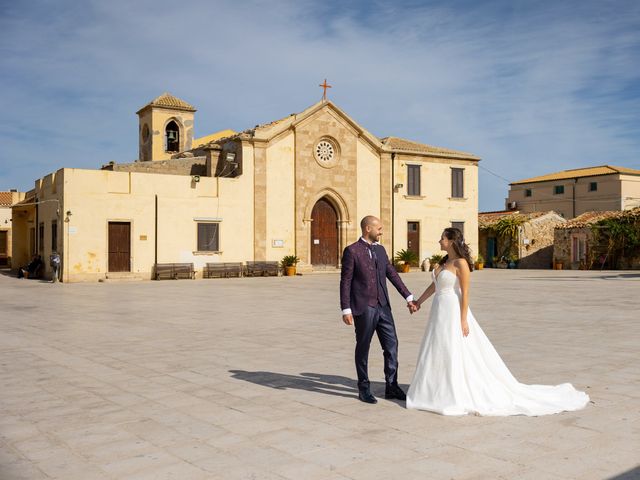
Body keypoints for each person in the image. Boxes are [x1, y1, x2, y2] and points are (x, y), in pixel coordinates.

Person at [406, 228, 590, 415]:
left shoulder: (461, 263)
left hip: (453, 309)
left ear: (452, 241)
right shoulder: (444, 262)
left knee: (453, 347)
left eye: (442, 238)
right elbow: (434, 285)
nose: (439, 241)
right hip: (439, 309)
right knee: (437, 346)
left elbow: (466, 293)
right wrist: (419, 302)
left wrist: (463, 319)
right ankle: (433, 389)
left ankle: (452, 391)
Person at [340, 215, 418, 404]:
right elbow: (346, 281)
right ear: (368, 229)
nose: (381, 232)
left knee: (392, 345)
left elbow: (391, 274)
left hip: (383, 306)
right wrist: (346, 309)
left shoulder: (381, 250)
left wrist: (408, 296)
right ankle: (364, 388)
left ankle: (391, 385)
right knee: (363, 347)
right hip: (364, 307)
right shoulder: (352, 251)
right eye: (379, 229)